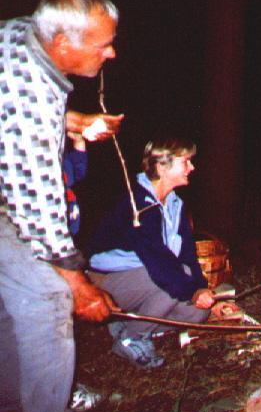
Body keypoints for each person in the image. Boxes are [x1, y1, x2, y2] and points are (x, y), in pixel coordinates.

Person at [0, 0, 122, 412]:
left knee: (13, 303)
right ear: (62, 44)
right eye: (103, 45)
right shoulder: (30, 97)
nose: (111, 54)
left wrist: (73, 121)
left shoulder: (19, 33)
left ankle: (11, 406)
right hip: (10, 200)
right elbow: (38, 210)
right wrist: (78, 285)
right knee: (49, 296)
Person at [89, 138, 216, 368]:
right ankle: (131, 338)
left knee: (197, 314)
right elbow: (160, 263)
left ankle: (127, 323)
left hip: (146, 278)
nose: (192, 167)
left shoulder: (175, 204)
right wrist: (192, 291)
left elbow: (187, 255)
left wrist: (201, 289)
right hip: (105, 284)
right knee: (173, 278)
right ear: (161, 167)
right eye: (186, 162)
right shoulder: (137, 203)